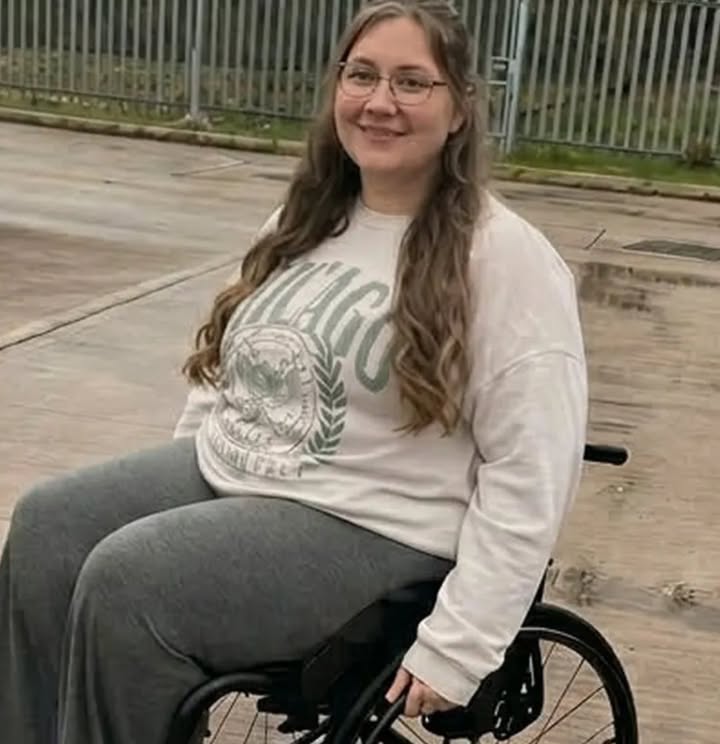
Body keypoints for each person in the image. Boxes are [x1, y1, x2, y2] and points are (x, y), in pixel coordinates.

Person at [0, 1, 588, 742]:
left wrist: (461, 644)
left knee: (129, 583)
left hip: (378, 521)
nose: (380, 101)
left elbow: (534, 466)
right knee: (49, 526)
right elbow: (231, 370)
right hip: (242, 475)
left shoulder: (503, 257)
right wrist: (172, 491)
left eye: (412, 82)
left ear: (461, 107)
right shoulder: (305, 221)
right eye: (362, 75)